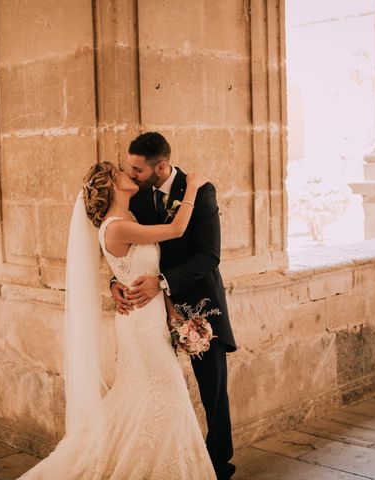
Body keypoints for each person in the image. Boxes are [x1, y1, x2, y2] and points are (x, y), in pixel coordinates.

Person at [14, 161, 216, 479]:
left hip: (150, 321)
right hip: (141, 329)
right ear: (112, 184)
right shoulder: (116, 226)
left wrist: (170, 310)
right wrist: (193, 186)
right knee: (168, 392)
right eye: (121, 171)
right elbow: (176, 230)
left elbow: (141, 271)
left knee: (144, 397)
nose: (129, 174)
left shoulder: (128, 218)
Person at [111, 132, 237, 480]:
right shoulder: (136, 197)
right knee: (158, 390)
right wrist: (114, 283)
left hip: (199, 307)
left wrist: (162, 282)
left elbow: (210, 255)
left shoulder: (201, 190)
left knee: (213, 391)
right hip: (148, 312)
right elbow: (124, 248)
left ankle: (218, 466)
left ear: (161, 166)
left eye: (137, 169)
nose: (131, 174)